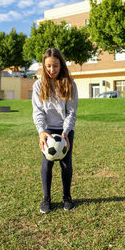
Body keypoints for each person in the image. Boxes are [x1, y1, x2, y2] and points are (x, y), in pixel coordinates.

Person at [32, 47, 78, 213]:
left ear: (62, 65)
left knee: (66, 164)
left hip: (65, 129)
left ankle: (67, 197)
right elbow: (38, 111)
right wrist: (42, 131)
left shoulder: (70, 83)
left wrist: (66, 132)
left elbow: (71, 111)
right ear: (44, 66)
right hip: (48, 131)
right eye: (48, 66)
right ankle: (46, 198)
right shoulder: (38, 85)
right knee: (47, 163)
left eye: (56, 66)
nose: (52, 70)